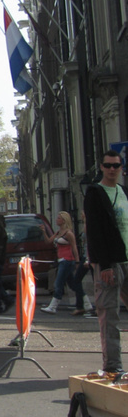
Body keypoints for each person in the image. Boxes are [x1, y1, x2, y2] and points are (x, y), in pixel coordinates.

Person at [83, 150, 128, 374]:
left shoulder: (123, 192)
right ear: (101, 167)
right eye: (108, 165)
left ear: (121, 168)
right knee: (110, 315)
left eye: (116, 166)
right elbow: (95, 231)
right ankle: (113, 367)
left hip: (127, 258)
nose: (112, 169)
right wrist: (105, 264)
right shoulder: (95, 193)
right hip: (110, 262)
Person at [39, 211, 86, 315]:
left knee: (58, 283)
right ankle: (86, 304)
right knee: (73, 284)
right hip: (61, 261)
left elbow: (74, 248)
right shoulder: (58, 232)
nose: (57, 220)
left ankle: (53, 306)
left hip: (67, 260)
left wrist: (77, 261)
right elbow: (48, 242)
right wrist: (43, 231)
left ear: (64, 220)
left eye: (59, 218)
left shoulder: (69, 233)